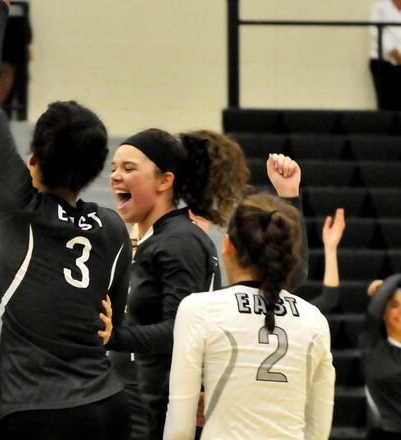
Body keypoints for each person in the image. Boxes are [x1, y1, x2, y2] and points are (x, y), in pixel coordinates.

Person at [0, 2, 131, 439]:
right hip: (109, 403)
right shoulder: (113, 228)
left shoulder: (19, 206)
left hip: (38, 410)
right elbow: (113, 319)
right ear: (97, 170)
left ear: (33, 158)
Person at [105, 129, 252, 440]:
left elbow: (182, 330)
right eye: (113, 168)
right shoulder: (161, 237)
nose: (116, 176)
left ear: (164, 181)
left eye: (129, 169)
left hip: (158, 409)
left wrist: (113, 337)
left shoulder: (178, 241)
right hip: (141, 400)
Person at [163, 192, 335, 440]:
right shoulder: (315, 319)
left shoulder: (198, 309)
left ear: (227, 246)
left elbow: (179, 429)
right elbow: (318, 433)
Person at [362, 274, 401, 439]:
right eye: (394, 305)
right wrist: (384, 287)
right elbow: (374, 309)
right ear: (384, 312)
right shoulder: (372, 346)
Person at [369, 0, 401, 110]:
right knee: (386, 105)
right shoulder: (380, 7)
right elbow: (376, 32)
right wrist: (394, 53)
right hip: (383, 62)